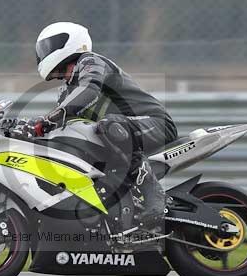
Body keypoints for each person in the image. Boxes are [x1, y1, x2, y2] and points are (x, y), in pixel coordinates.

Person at [30, 21, 178, 236]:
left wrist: (58, 114)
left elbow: (90, 88)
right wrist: (31, 127)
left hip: (155, 123)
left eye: (48, 46)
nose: (62, 74)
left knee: (109, 125)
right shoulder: (67, 91)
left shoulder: (91, 61)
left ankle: (154, 195)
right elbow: (59, 122)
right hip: (121, 133)